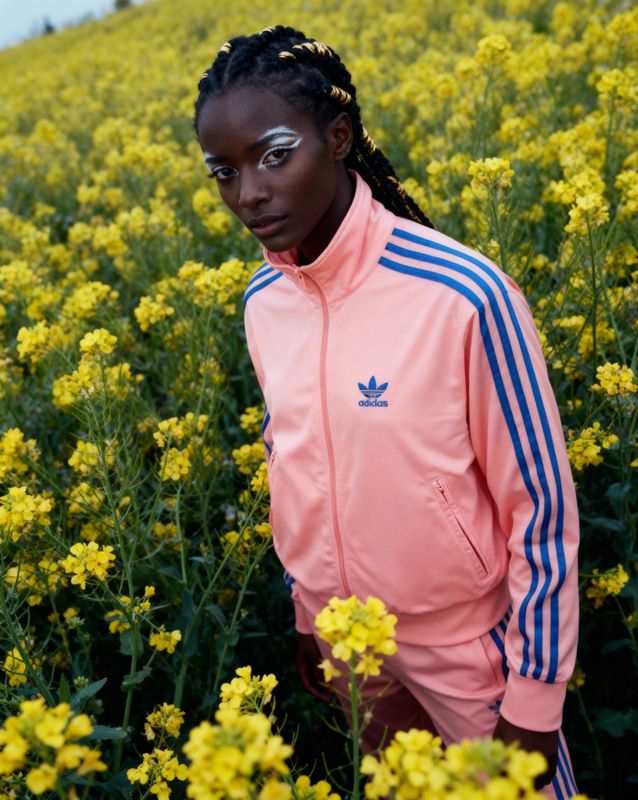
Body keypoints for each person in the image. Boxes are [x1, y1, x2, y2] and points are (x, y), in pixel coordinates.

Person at [193, 25, 580, 799]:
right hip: (349, 649)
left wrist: (534, 700)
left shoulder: (463, 295)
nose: (250, 194)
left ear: (338, 138)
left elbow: (541, 507)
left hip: (471, 653)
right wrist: (312, 616)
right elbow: (292, 462)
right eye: (224, 173)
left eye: (275, 155)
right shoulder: (264, 302)